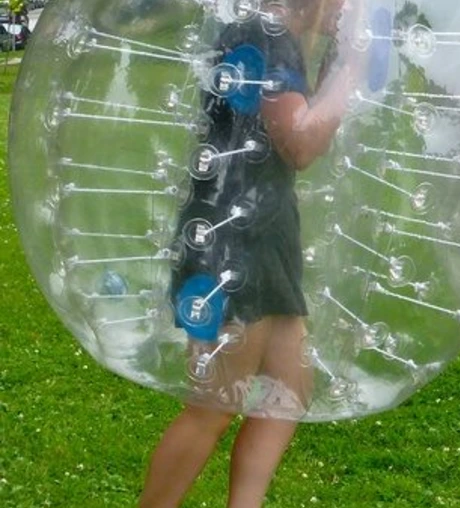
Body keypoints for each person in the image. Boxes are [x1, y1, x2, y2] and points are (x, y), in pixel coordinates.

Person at [139, 1, 360, 506]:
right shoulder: (265, 35)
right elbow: (300, 145)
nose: (351, 8)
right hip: (231, 238)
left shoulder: (270, 34)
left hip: (261, 230)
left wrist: (335, 64)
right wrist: (349, 70)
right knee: (215, 405)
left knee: (288, 391)